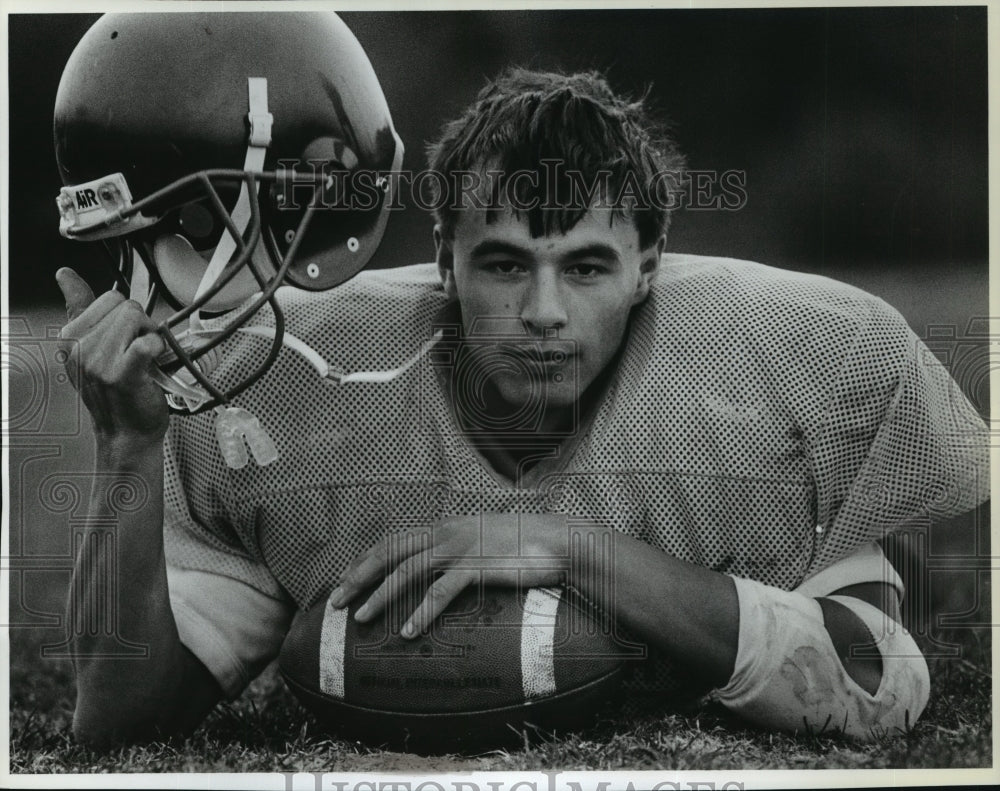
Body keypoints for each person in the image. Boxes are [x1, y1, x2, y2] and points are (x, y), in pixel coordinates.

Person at [53, 14, 988, 747]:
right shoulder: (295, 378)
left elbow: (881, 685)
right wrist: (127, 448)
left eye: (585, 268)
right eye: (503, 264)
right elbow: (119, 718)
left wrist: (568, 549)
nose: (543, 311)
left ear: (648, 266)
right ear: (444, 265)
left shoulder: (779, 362)